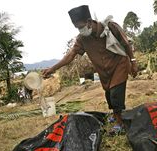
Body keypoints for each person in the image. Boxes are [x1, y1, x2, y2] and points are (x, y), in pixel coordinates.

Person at [42, 5, 138, 135]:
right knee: (109, 95)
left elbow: (126, 43)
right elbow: (70, 55)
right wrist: (52, 68)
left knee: (116, 93)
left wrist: (133, 62)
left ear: (89, 22)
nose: (80, 30)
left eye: (80, 27)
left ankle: (119, 122)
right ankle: (115, 115)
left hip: (119, 64)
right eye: (77, 28)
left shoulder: (110, 27)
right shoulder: (82, 39)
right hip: (104, 72)